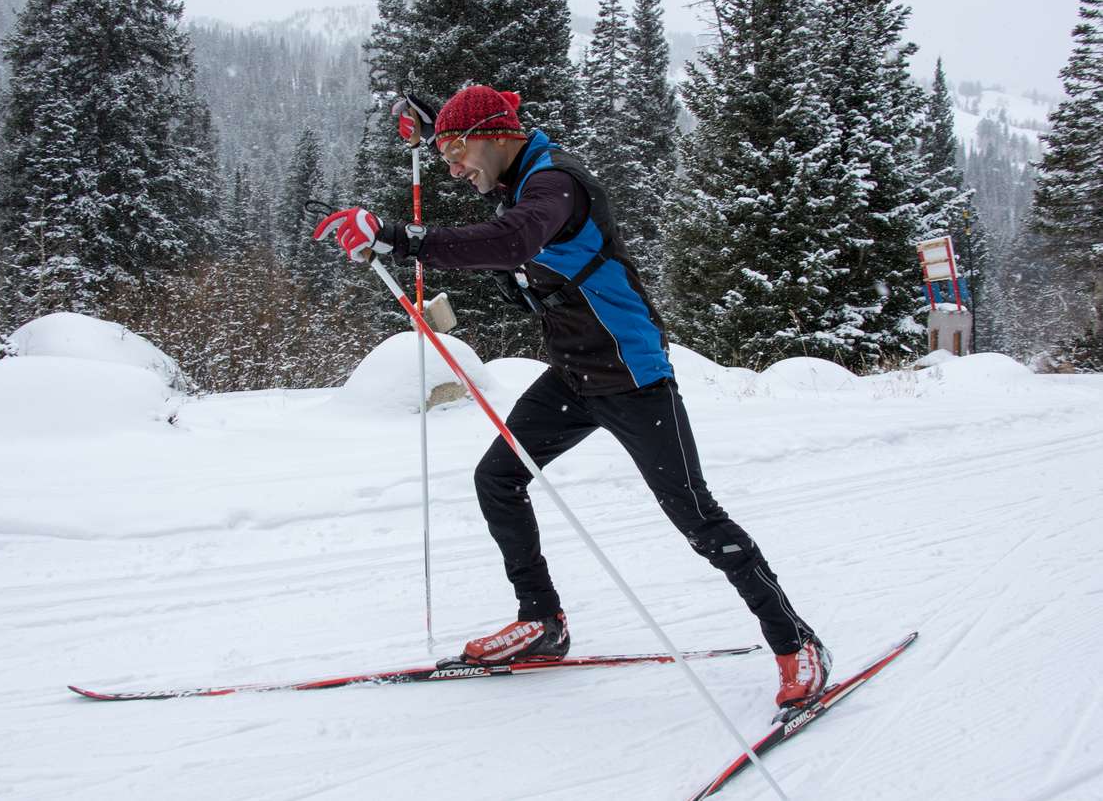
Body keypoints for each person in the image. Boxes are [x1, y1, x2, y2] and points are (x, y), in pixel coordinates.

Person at [313, 85, 830, 709]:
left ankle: (795, 641)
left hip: (632, 375)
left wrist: (400, 236)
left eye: (457, 151)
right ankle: (543, 622)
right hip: (572, 375)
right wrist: (436, 129)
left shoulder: (557, 184)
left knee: (696, 517)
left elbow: (512, 241)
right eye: (443, 154)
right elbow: (480, 149)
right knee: (497, 478)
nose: (451, 168)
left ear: (499, 137)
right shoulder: (511, 171)